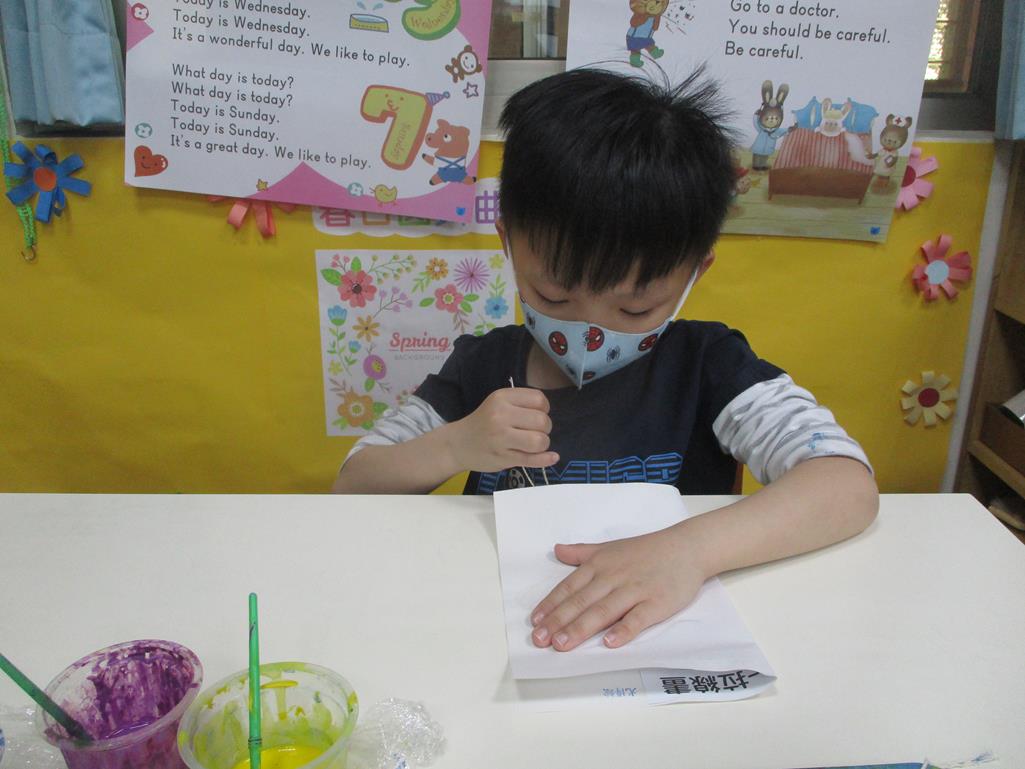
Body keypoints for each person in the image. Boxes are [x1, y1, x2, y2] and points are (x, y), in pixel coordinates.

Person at [333, 68, 878, 653]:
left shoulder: (708, 364)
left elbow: (846, 484)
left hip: (663, 636)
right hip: (502, 631)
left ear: (695, 273)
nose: (591, 333)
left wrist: (689, 550)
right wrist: (454, 446)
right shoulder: (483, 366)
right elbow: (353, 488)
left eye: (636, 308)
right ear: (507, 243)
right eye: (553, 297)